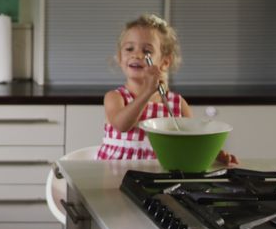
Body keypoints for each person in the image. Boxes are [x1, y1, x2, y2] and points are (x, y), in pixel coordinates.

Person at [97, 14, 236, 164]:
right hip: (116, 173)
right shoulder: (115, 97)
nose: (136, 55)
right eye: (129, 49)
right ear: (119, 57)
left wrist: (215, 154)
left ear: (164, 62)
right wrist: (148, 92)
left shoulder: (177, 103)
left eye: (147, 51)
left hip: (160, 175)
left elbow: (191, 140)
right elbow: (121, 125)